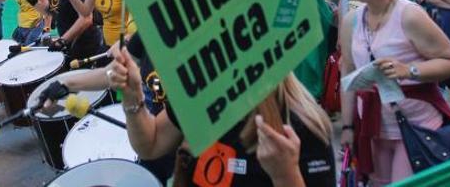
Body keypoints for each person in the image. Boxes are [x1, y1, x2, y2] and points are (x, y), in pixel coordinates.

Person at [109, 51, 337, 186]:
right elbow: (151, 144)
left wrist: (285, 174)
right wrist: (133, 96)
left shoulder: (305, 126)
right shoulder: (203, 97)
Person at [338, 0, 450, 185]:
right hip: (373, 126)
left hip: (416, 125)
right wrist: (347, 126)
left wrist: (410, 70)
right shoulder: (351, 20)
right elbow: (349, 72)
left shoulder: (410, 15)